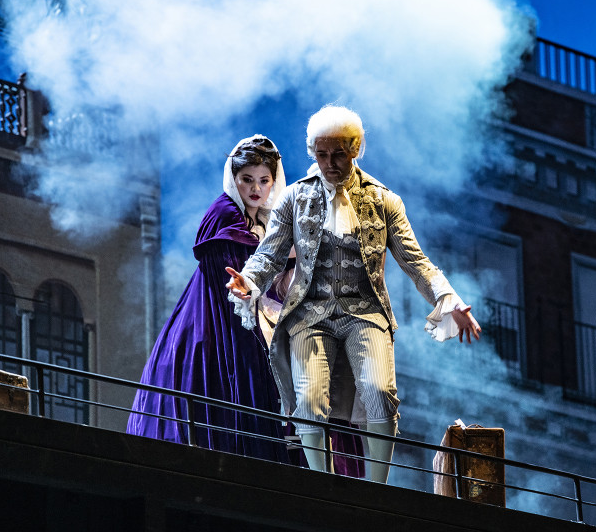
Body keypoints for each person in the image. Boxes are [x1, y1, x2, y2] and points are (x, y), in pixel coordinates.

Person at [226, 105, 482, 483]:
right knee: (309, 399)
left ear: (356, 148)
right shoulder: (294, 198)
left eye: (339, 154)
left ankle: (376, 486)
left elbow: (417, 262)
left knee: (380, 391)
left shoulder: (384, 201)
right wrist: (248, 282)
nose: (330, 163)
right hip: (309, 313)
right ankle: (323, 483)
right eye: (322, 154)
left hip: (365, 311)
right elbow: (271, 253)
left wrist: (450, 300)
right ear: (313, 152)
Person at [126, 134, 292, 461]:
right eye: (247, 180)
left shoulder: (273, 220)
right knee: (219, 392)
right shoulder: (224, 213)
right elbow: (228, 273)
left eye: (263, 181)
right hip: (220, 319)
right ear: (234, 178)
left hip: (260, 322)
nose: (255, 189)